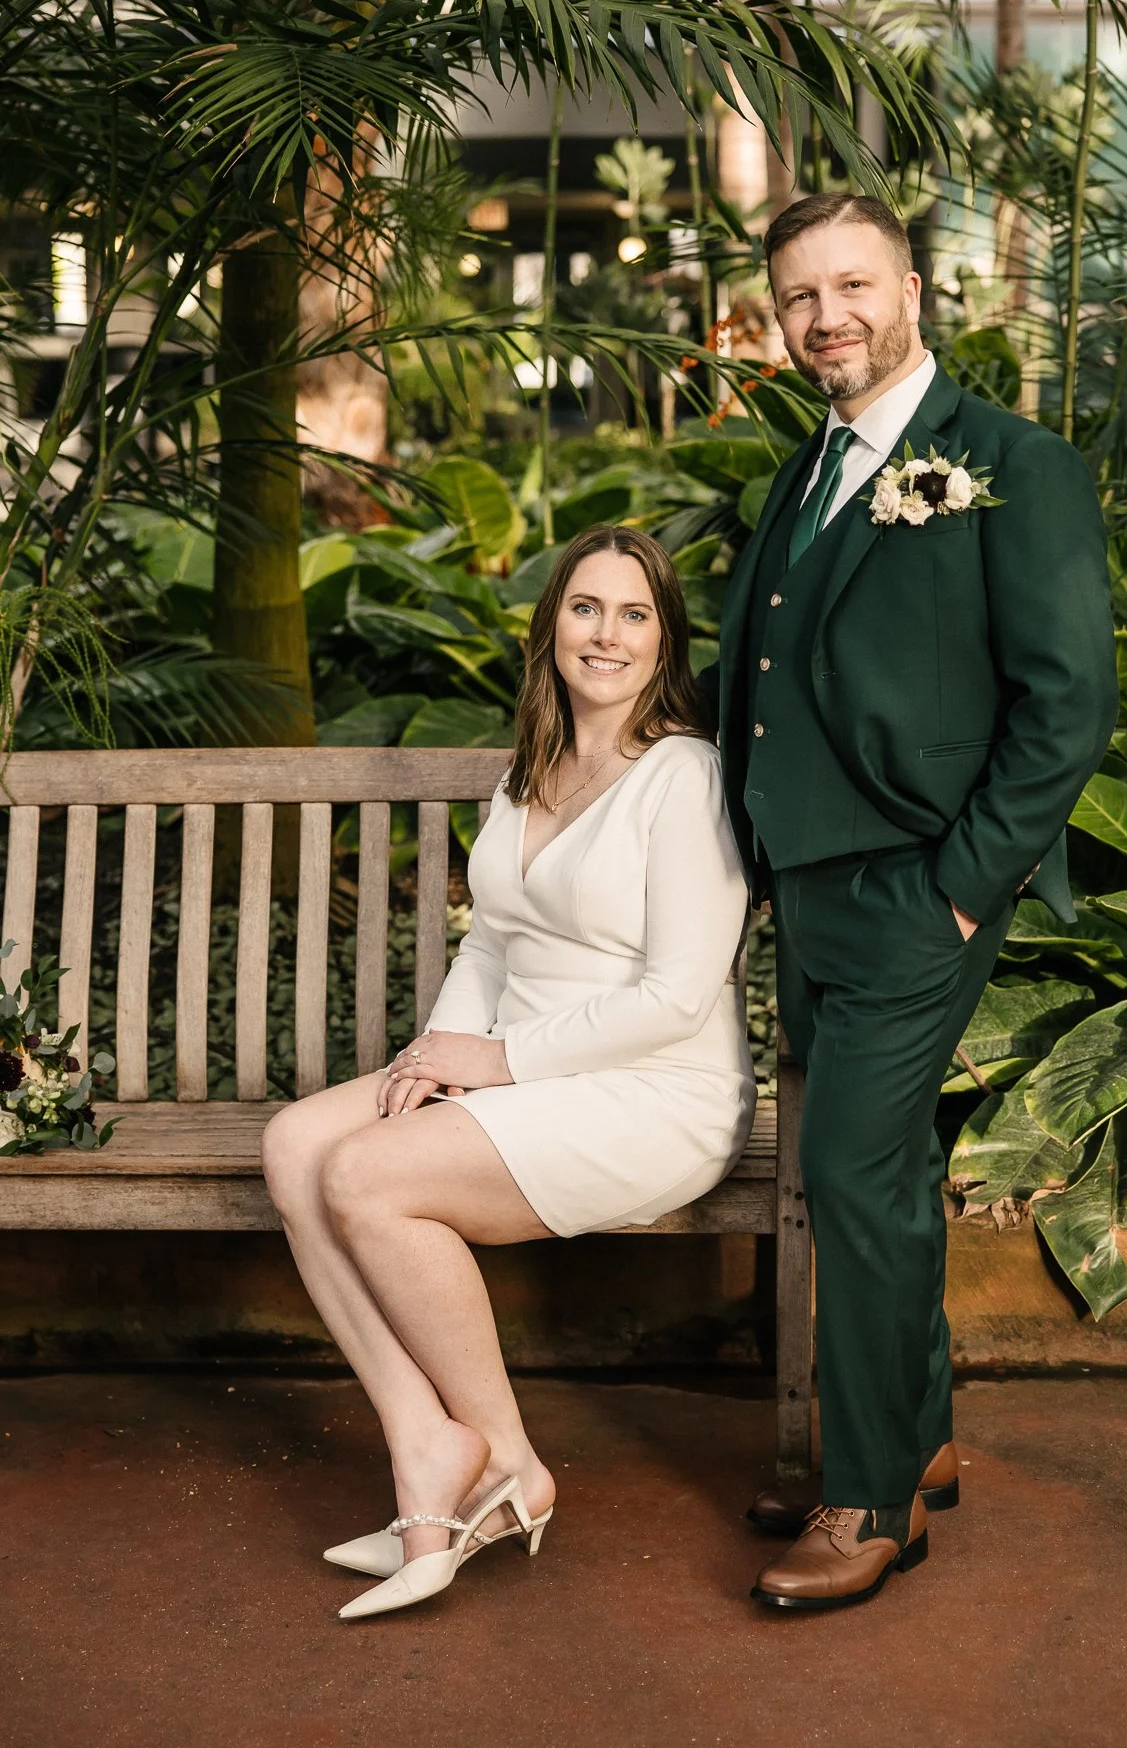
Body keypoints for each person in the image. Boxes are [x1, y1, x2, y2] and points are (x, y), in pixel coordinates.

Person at [716, 192, 1118, 1612]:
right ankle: (918, 1430)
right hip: (808, 884)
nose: (825, 317)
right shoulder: (809, 468)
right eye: (799, 296)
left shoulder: (1015, 464)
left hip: (914, 887)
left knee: (844, 1171)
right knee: (876, 1176)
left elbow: (1067, 704)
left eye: (852, 286)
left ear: (911, 291)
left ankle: (872, 1496)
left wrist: (960, 888)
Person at [262, 525, 754, 1621]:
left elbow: (677, 996)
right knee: (295, 1145)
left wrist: (495, 1060)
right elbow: (489, 943)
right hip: (516, 1068)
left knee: (365, 1175)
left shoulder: (684, 775)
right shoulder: (531, 767)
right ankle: (424, 1439)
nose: (607, 634)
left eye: (634, 614)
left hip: (654, 1089)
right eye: (585, 607)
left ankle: (509, 1464)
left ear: (664, 639)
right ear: (551, 626)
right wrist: (440, 1062)